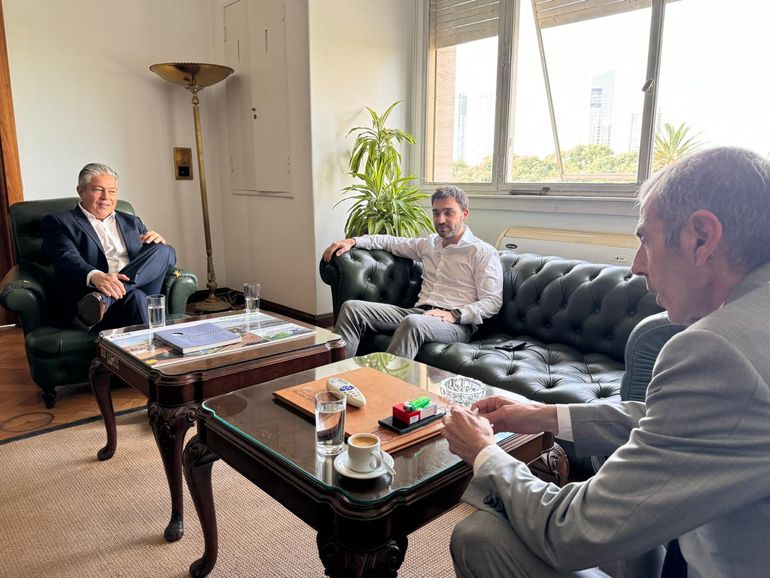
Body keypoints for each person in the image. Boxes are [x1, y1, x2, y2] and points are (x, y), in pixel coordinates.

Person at [441, 147, 770, 578]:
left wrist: (483, 452)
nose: (636, 267)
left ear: (702, 237)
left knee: (479, 538)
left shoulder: (716, 349)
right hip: (695, 536)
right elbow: (664, 421)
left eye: (644, 240)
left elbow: (568, 532)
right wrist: (539, 415)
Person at [322, 185, 503, 360]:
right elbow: (390, 242)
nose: (440, 220)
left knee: (413, 323)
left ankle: (382, 387)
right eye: (436, 212)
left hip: (455, 324)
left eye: (448, 212)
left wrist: (455, 314)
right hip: (417, 312)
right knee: (352, 308)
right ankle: (339, 378)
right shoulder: (429, 244)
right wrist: (353, 241)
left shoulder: (482, 252)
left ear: (464, 214)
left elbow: (493, 301)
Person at [41, 163, 177, 331]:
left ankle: (105, 298)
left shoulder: (132, 222)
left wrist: (161, 244)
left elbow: (167, 259)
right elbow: (65, 257)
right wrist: (95, 275)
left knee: (162, 249)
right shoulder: (60, 222)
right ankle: (106, 300)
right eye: (98, 190)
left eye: (112, 191)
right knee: (136, 296)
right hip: (96, 304)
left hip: (116, 296)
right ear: (80, 190)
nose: (106, 197)